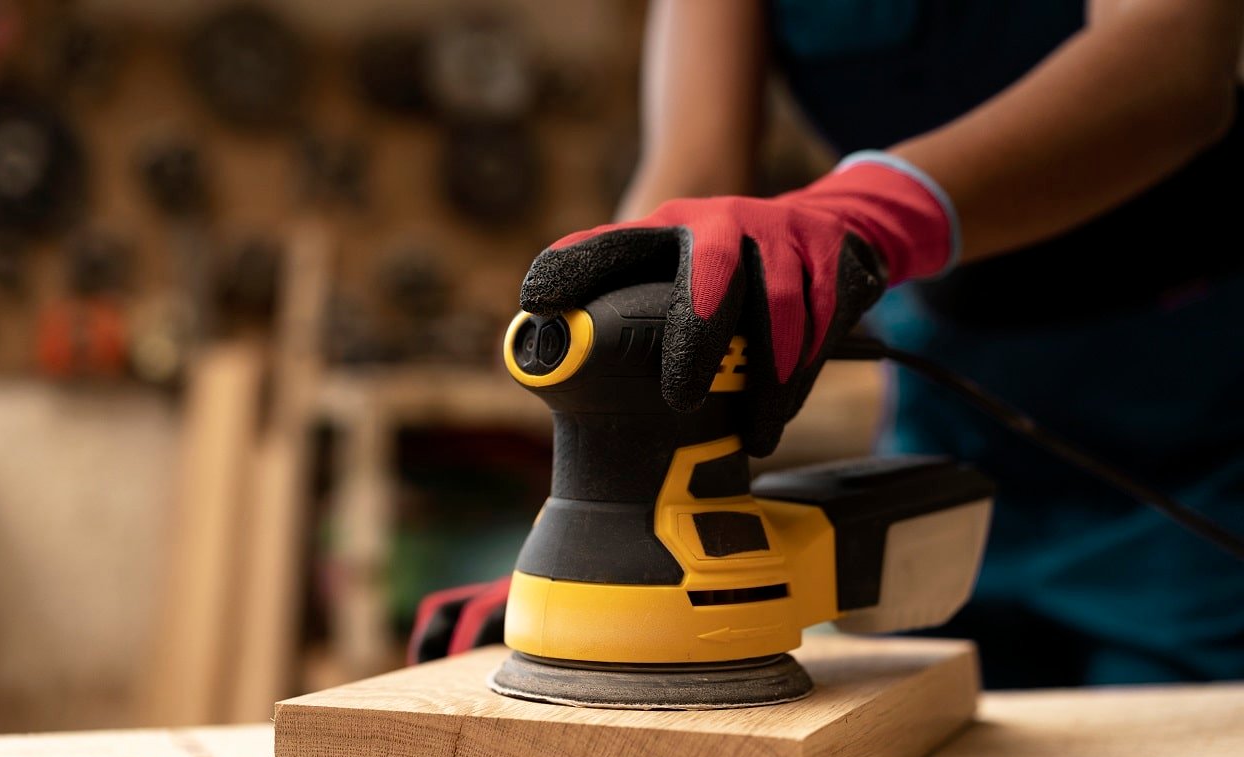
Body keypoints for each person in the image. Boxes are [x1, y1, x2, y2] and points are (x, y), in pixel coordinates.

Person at [413, 0, 1244, 687]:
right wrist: (593, 531)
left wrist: (875, 210)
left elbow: (1176, 61)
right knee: (924, 750)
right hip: (953, 401)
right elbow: (688, 173)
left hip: (1194, 409)